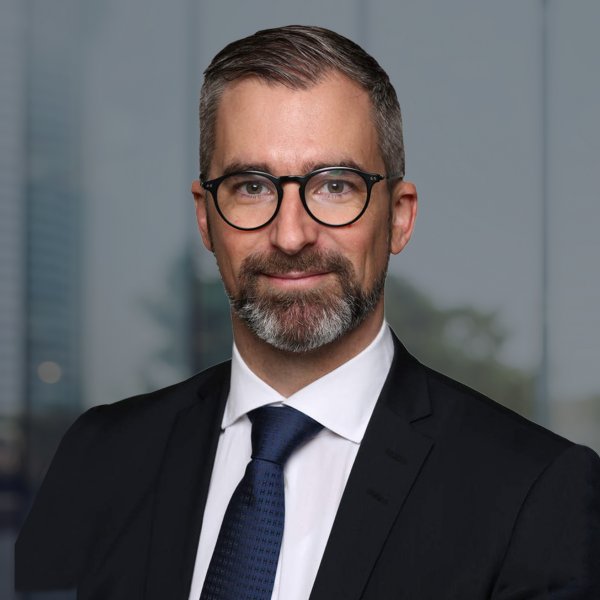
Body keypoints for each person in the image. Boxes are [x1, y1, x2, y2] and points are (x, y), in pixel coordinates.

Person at [16, 25, 600, 600]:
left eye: (335, 186)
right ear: (204, 217)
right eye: (251, 187)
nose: (291, 235)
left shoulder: (534, 491)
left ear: (399, 216)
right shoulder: (101, 453)